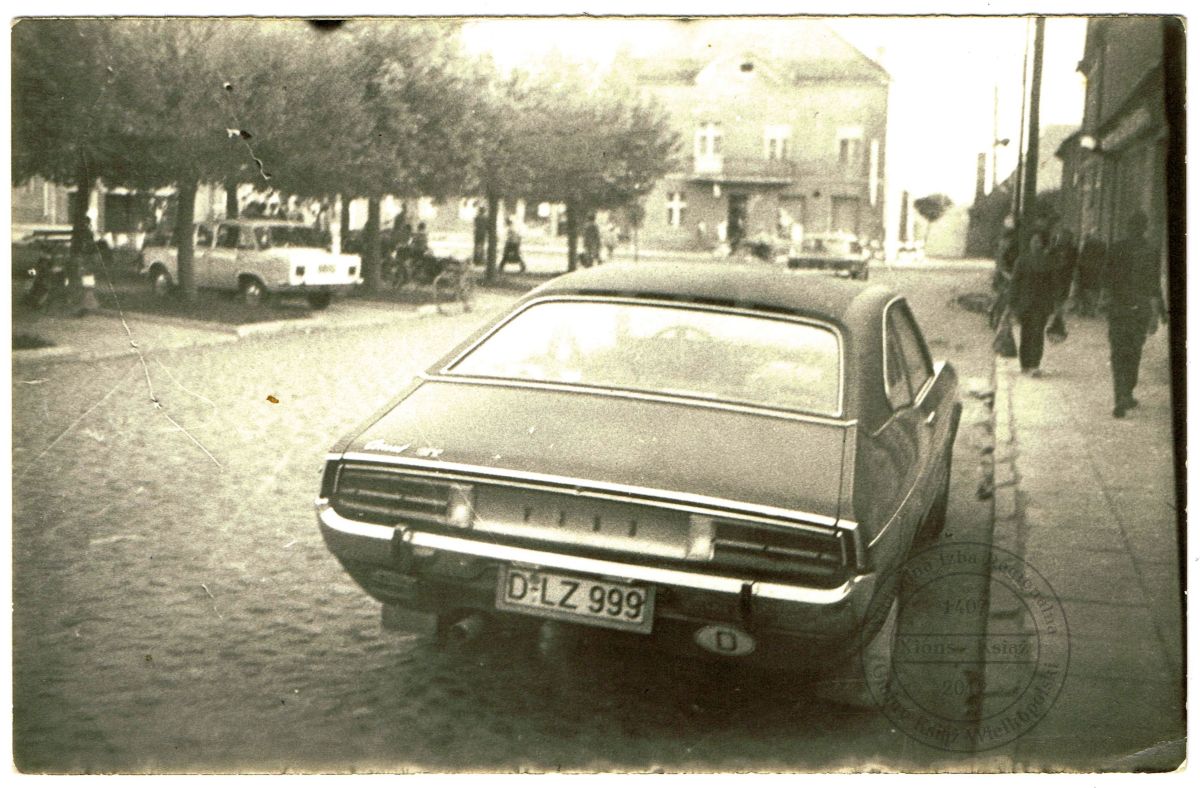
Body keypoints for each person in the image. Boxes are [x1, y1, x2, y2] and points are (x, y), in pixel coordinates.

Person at [1104, 211, 1164, 418]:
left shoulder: (1116, 248)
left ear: (1127, 227)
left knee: (1118, 352)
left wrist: (1105, 303)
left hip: (1118, 308)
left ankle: (1120, 394)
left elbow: (1106, 279)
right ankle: (1127, 391)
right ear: (1145, 227)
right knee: (1133, 351)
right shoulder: (1151, 251)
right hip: (1140, 309)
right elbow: (1154, 285)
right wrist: (1158, 314)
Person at [1008, 229, 1056, 376]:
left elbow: (1053, 284)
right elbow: (1015, 282)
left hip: (1041, 303)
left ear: (1043, 244)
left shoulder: (1048, 261)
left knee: (1037, 333)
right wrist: (1012, 304)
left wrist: (1054, 305)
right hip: (1025, 303)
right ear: (1030, 243)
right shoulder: (1022, 260)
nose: (1035, 244)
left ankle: (1034, 364)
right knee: (1026, 333)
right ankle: (1025, 364)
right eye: (1033, 241)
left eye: (1038, 241)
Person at [1047, 225, 1077, 340]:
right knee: (1058, 295)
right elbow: (1050, 260)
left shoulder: (1072, 249)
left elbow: (1074, 263)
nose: (1064, 238)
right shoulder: (1055, 248)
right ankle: (1058, 315)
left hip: (1065, 276)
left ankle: (1058, 315)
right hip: (1057, 275)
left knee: (1061, 296)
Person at [1075, 233, 1107, 316]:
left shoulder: (1087, 245)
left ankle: (1083, 309)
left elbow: (1081, 258)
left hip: (1086, 269)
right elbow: (1104, 259)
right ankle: (1091, 310)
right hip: (1096, 270)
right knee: (1094, 290)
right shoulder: (1102, 245)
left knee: (1084, 289)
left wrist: (1079, 268)